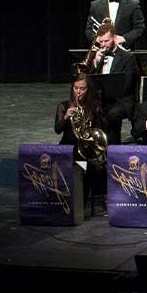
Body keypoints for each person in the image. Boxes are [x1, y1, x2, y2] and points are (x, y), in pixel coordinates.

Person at [53, 73, 107, 205]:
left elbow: (98, 131)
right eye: (76, 88)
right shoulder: (64, 106)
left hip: (86, 149)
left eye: (82, 88)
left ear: (88, 90)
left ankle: (81, 203)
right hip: (69, 147)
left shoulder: (93, 107)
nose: (79, 91)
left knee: (90, 169)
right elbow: (57, 129)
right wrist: (66, 117)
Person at [84, 22, 139, 144]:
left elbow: (127, 85)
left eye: (106, 41)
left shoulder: (127, 57)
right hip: (101, 98)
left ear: (114, 38)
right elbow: (88, 79)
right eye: (100, 42)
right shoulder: (97, 55)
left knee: (111, 113)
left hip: (121, 99)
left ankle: (112, 147)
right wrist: (95, 63)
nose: (103, 45)